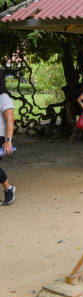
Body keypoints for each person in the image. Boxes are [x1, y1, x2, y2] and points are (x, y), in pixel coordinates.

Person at [0, 77, 16, 205]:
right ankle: (8, 188)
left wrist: (8, 140)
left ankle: (9, 188)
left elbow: (10, 120)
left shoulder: (3, 97)